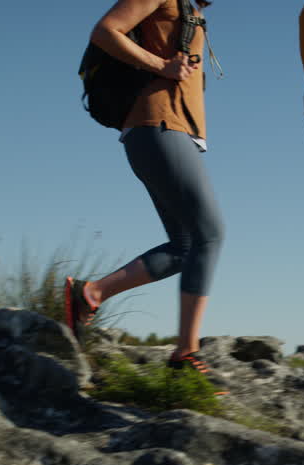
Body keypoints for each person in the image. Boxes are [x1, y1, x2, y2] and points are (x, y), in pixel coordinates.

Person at [68, 0, 226, 388]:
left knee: (186, 246)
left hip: (173, 133)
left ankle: (89, 294)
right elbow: (105, 31)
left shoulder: (192, 9)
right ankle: (186, 351)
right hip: (158, 126)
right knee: (211, 234)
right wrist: (159, 66)